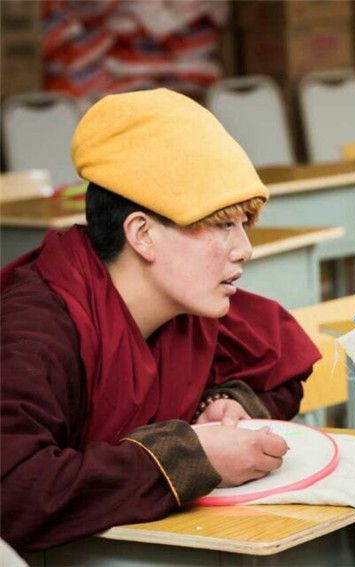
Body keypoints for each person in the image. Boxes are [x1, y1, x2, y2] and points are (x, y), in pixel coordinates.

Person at [1, 89, 321, 552]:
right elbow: (14, 490)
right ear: (143, 234)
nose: (244, 249)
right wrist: (189, 458)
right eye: (222, 225)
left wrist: (224, 402)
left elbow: (280, 369)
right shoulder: (37, 328)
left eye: (244, 225)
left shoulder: (185, 307)